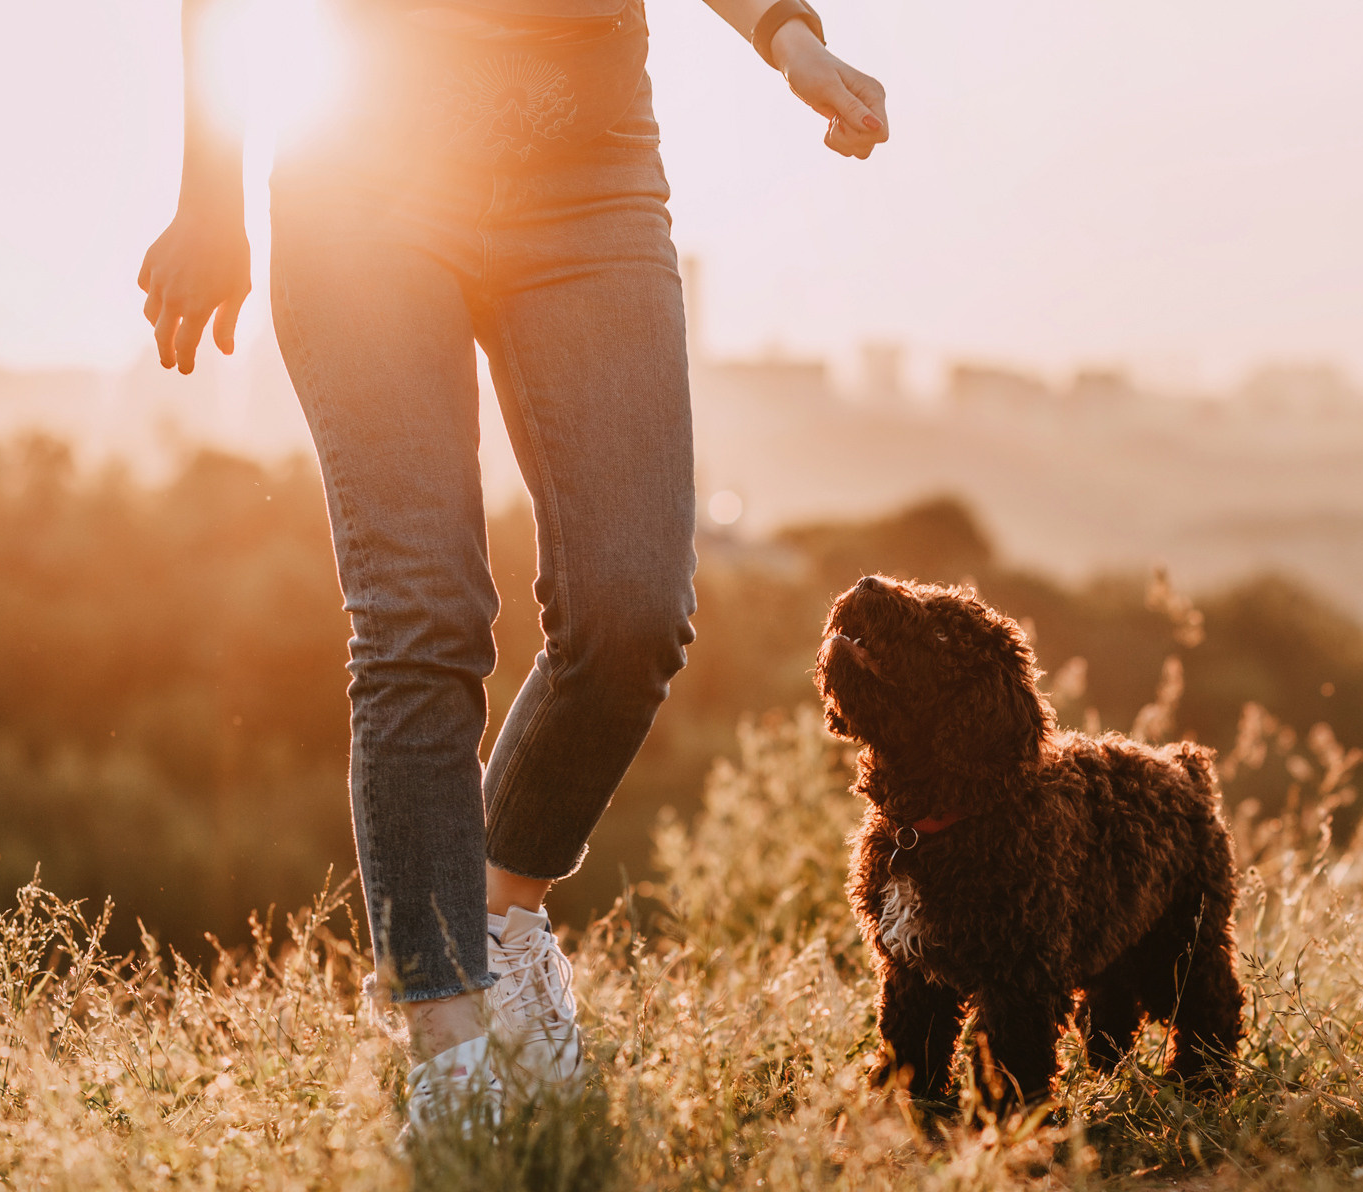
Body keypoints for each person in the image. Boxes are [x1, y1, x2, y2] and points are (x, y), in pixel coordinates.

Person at [138, 0, 887, 1129]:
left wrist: (789, 37)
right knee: (419, 616)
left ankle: (498, 903)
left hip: (587, 175)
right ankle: (447, 1059)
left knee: (632, 609)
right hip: (365, 176)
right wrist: (210, 195)